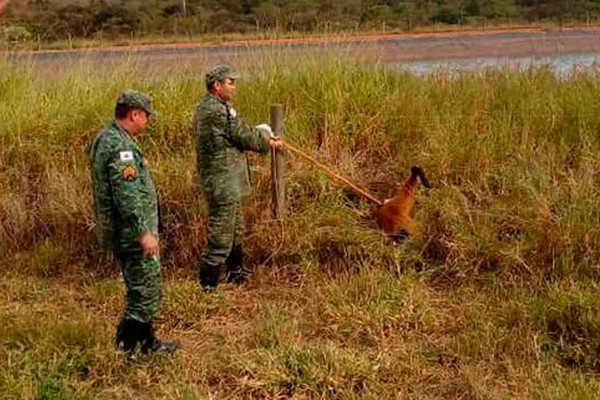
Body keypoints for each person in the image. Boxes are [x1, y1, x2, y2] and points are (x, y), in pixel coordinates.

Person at [90, 90, 179, 358]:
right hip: (132, 233)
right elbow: (127, 197)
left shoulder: (105, 138)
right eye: (147, 116)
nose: (148, 121)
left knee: (140, 287)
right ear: (134, 114)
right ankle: (127, 346)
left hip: (122, 231)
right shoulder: (122, 147)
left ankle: (147, 343)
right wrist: (144, 232)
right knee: (146, 290)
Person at [192, 65, 284, 291]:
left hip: (226, 180)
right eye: (230, 82)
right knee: (222, 233)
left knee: (236, 228)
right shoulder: (216, 110)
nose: (234, 87)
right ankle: (208, 285)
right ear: (217, 86)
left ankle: (235, 273)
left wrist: (262, 137)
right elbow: (242, 134)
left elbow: (238, 132)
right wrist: (267, 140)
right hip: (222, 182)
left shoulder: (214, 107)